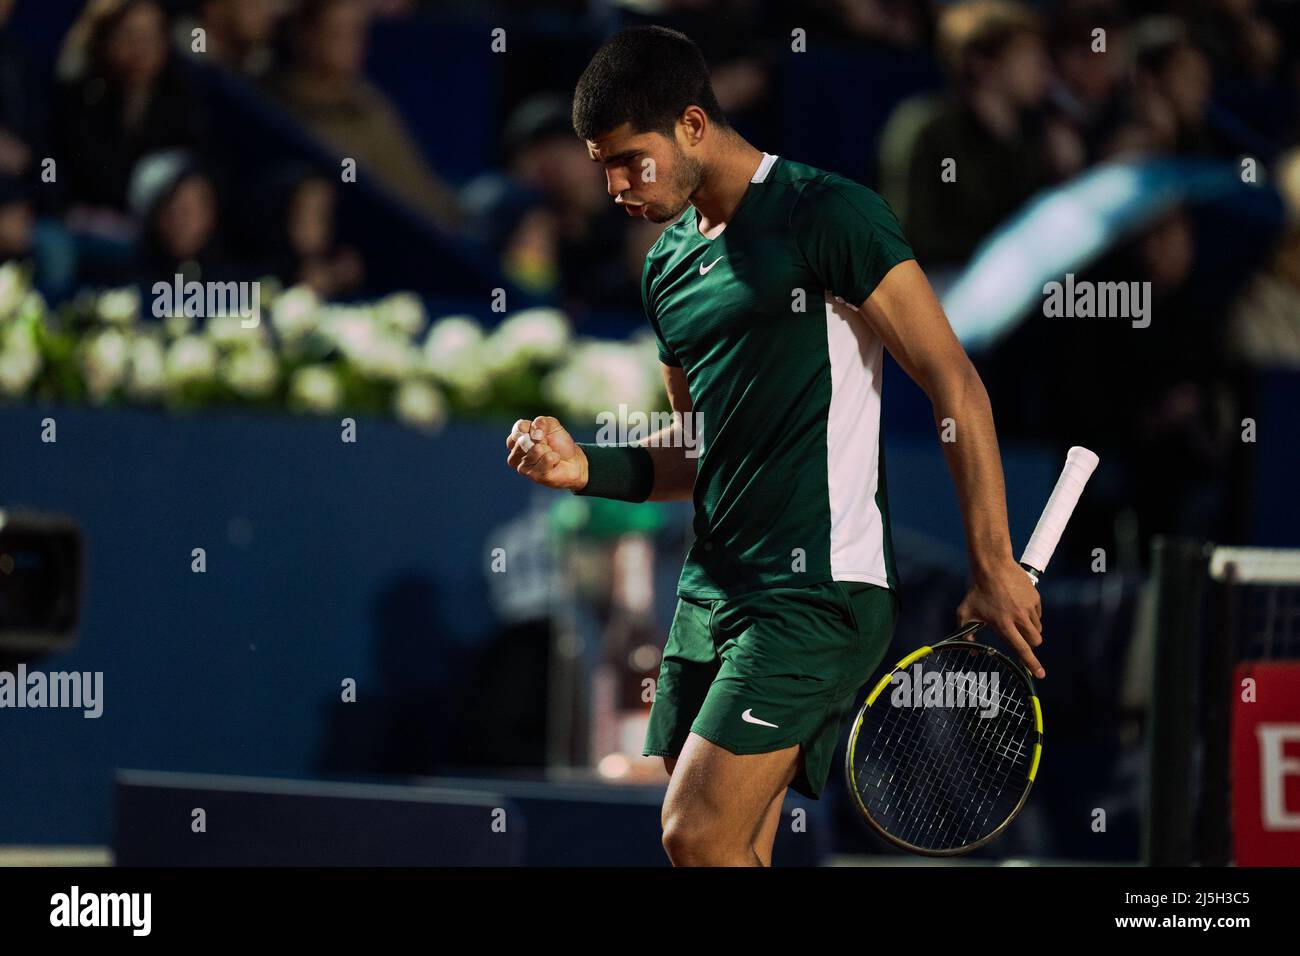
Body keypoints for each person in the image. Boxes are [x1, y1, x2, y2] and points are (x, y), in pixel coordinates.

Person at [503, 26, 1043, 867]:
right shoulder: (666, 269)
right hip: (712, 594)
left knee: (696, 831)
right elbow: (700, 448)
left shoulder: (827, 212)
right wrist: (587, 466)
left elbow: (953, 383)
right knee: (721, 852)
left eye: (628, 160)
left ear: (691, 124)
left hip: (817, 592)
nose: (613, 186)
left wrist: (992, 560)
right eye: (600, 164)